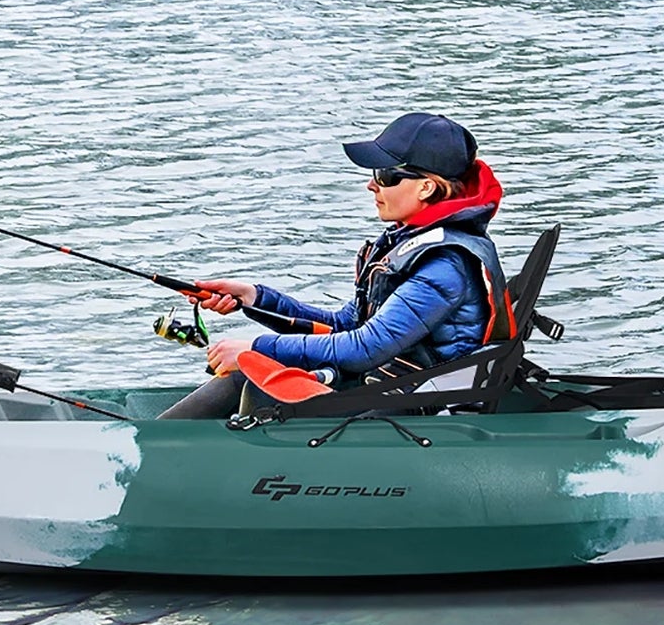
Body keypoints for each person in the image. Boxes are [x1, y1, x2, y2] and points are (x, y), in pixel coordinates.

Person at [158, 111, 512, 420]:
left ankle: (148, 452)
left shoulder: (445, 263)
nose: (371, 184)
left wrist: (256, 350)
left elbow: (364, 348)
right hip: (385, 385)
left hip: (412, 406)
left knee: (249, 376)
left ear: (426, 188)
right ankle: (155, 445)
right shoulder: (410, 241)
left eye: (386, 175)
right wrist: (254, 298)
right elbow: (346, 325)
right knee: (252, 373)